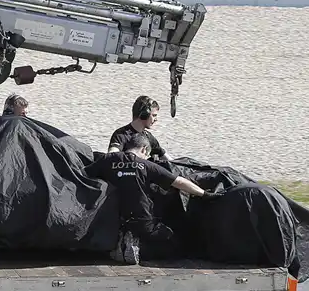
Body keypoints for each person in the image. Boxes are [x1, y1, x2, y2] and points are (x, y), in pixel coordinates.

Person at [87, 132, 220, 264]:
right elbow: (179, 182)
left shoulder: (108, 160)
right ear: (144, 149)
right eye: (147, 155)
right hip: (142, 220)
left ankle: (123, 240)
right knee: (174, 242)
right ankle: (137, 249)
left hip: (113, 219)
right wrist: (204, 194)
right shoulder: (147, 166)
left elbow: (83, 174)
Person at [107, 95, 166, 162]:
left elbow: (169, 160)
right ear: (144, 115)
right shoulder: (121, 135)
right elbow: (111, 156)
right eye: (154, 115)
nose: (156, 119)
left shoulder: (149, 137)